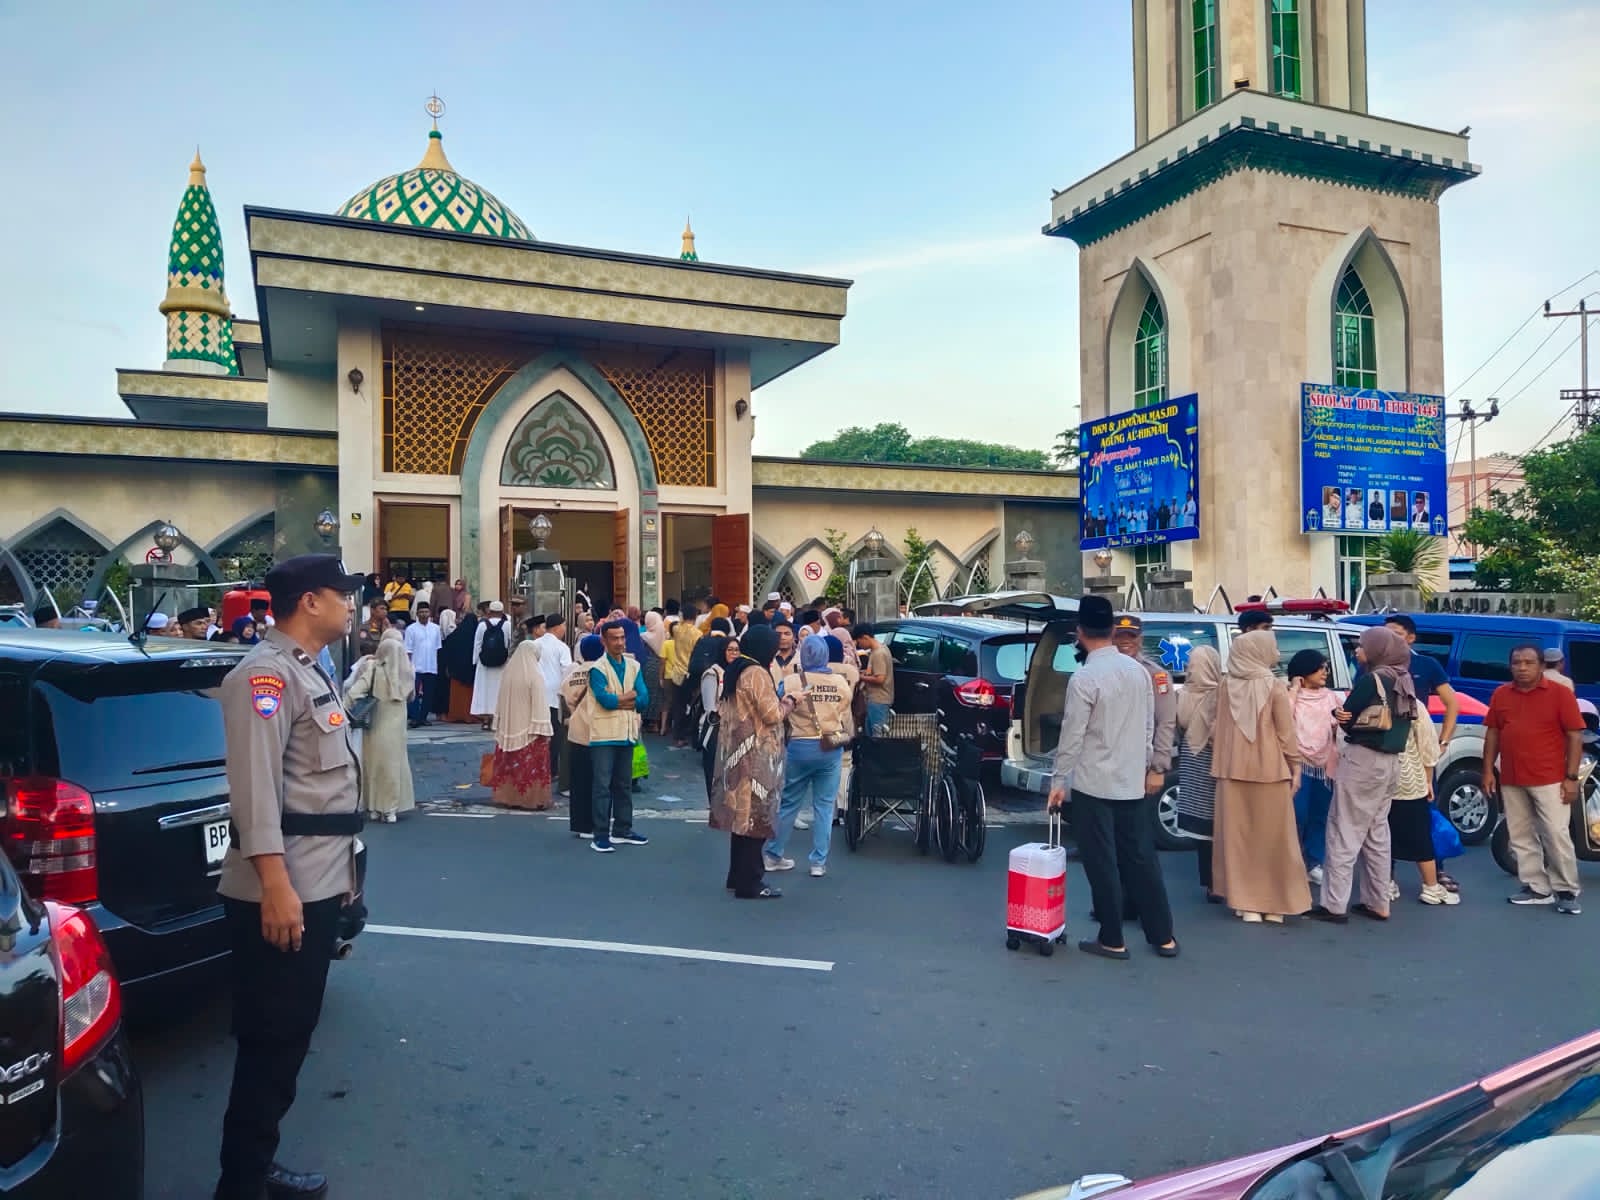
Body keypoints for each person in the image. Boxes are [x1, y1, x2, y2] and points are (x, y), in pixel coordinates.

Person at [213, 554, 363, 1200]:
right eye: (342, 594)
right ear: (310, 602)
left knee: (290, 1037)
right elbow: (256, 795)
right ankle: (241, 1183)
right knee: (271, 1041)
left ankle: (257, 1162)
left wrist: (346, 879)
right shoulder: (264, 677)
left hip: (318, 883)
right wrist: (276, 887)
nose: (351, 605)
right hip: (284, 892)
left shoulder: (310, 669)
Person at [1046, 595, 1178, 960]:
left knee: (1101, 862)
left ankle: (1112, 937)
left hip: (1094, 783)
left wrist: (1058, 781)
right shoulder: (1139, 673)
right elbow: (1149, 724)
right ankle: (1163, 936)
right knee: (1142, 859)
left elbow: (1072, 735)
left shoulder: (1085, 678)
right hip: (1131, 781)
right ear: (1111, 629)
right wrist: (1149, 765)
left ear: (1080, 632)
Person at [1312, 626, 1416, 924]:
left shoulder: (1372, 680)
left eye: (1362, 646)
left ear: (1378, 650)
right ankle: (1378, 902)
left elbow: (1347, 718)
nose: (1358, 650)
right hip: (1391, 763)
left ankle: (1334, 905)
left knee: (1343, 830)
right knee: (1377, 834)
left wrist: (1339, 716)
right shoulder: (1404, 678)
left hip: (1363, 760)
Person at [1211, 629, 1311, 924]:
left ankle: (1245, 903)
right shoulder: (1274, 686)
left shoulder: (1225, 685)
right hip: (1270, 770)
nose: (1277, 653)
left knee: (1238, 841)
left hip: (1231, 771)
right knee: (1276, 839)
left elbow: (1217, 729)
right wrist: (1296, 766)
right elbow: (1286, 733)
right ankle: (1275, 903)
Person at [1484, 643, 1585, 914]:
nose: (1522, 667)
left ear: (1541, 666)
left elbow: (1575, 736)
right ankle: (1537, 888)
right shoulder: (1501, 694)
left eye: (1529, 662)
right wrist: (1488, 771)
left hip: (1550, 777)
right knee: (1520, 835)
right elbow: (1493, 732)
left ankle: (1566, 890)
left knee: (1556, 833)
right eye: (1517, 662)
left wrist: (1571, 778)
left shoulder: (1560, 694)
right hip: (1511, 776)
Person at [709, 624, 791, 899]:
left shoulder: (738, 668)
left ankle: (737, 876)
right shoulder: (756, 672)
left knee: (741, 819)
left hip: (737, 751)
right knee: (756, 817)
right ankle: (751, 882)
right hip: (756, 754)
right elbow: (772, 714)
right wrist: (790, 702)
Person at [763, 633, 852, 878]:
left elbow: (780, 707)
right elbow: (844, 709)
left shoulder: (791, 681)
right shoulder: (840, 682)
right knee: (824, 806)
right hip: (829, 747)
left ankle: (773, 854)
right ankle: (818, 862)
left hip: (799, 746)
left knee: (789, 802)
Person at [587, 619, 650, 852]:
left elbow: (644, 699)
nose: (620, 642)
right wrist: (628, 698)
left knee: (624, 785)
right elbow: (605, 701)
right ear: (604, 641)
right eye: (614, 638)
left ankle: (622, 829)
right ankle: (600, 834)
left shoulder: (634, 666)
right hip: (604, 735)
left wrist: (621, 700)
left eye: (622, 637)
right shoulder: (598, 669)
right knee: (602, 786)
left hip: (626, 732)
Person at [344, 625, 416, 823]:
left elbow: (355, 691)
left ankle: (374, 807)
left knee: (373, 766)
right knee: (393, 766)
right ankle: (390, 809)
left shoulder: (372, 667)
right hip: (396, 728)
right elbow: (411, 697)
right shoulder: (407, 671)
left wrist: (343, 709)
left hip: (375, 723)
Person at [1287, 649, 1344, 886]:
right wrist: (1293, 690)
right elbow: (1283, 720)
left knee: (1319, 815)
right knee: (1296, 814)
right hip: (1297, 764)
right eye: (1319, 667)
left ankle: (1314, 863)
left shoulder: (1331, 697)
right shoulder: (1290, 696)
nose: (1325, 672)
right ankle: (1291, 862)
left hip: (1325, 765)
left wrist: (1339, 724)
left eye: (1325, 668)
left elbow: (1343, 724)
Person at [1387, 704, 1454, 904]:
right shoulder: (1411, 703)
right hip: (1409, 780)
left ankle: (1385, 884)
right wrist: (1428, 780)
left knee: (1380, 837)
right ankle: (1431, 887)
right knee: (1420, 835)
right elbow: (1427, 745)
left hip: (1375, 780)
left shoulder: (1366, 699)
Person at [1173, 646, 1222, 901]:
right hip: (1217, 762)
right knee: (1222, 823)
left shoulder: (1181, 695)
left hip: (1191, 762)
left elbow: (1174, 730)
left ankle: (1211, 883)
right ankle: (1222, 881)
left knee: (1204, 830)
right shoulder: (1223, 694)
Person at [489, 640, 554, 810]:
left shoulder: (507, 673)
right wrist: (543, 727)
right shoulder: (535, 675)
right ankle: (531, 799)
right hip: (530, 729)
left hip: (509, 727)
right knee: (529, 768)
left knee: (510, 766)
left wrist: (499, 721)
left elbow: (500, 700)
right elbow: (540, 704)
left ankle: (509, 798)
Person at [1384, 614, 1459, 746]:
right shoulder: (1371, 664)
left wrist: (1443, 742)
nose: (1390, 638)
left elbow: (1452, 703)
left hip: (1414, 738)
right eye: (1385, 634)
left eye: (1396, 634)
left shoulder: (1427, 664)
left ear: (1411, 638)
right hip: (1379, 738)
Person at [562, 635, 604, 838]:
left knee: (579, 781)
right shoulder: (603, 672)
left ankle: (581, 825)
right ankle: (598, 822)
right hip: (600, 731)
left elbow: (565, 696)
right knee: (599, 782)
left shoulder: (573, 674)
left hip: (577, 730)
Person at [699, 635, 741, 794]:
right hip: (716, 730)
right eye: (730, 650)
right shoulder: (712, 674)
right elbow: (710, 707)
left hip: (736, 731)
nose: (734, 653)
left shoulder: (739, 672)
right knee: (715, 778)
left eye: (737, 650)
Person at [471, 601, 511, 731]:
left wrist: (475, 662)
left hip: (485, 664)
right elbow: (510, 644)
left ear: (490, 611)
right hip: (502, 664)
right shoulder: (507, 625)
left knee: (484, 691)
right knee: (498, 691)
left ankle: (485, 720)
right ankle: (497, 720)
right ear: (502, 612)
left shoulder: (482, 625)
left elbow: (477, 644)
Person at [402, 601, 443, 728]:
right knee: (413, 693)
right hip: (415, 666)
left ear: (429, 613)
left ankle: (423, 717)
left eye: (426, 612)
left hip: (431, 666)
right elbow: (408, 649)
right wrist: (408, 666)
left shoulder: (436, 629)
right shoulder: (411, 629)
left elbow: (437, 648)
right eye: (421, 612)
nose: (424, 614)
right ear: (417, 614)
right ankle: (415, 718)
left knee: (428, 693)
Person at [668, 605, 702, 746]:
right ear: (695, 616)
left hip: (677, 672)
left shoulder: (676, 629)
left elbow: (673, 624)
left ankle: (678, 736)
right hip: (690, 672)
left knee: (678, 705)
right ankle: (688, 732)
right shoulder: (698, 633)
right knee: (691, 704)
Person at [439, 607, 478, 724]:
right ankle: (470, 715)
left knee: (457, 694)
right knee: (469, 694)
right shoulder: (475, 634)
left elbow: (448, 650)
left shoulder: (455, 635)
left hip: (456, 671)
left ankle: (456, 714)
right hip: (470, 670)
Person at [855, 623, 894, 734]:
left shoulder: (878, 654)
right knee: (871, 733)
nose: (859, 645)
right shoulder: (880, 648)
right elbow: (875, 671)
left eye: (859, 642)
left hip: (879, 700)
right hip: (875, 700)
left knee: (877, 735)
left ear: (865, 637)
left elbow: (880, 679)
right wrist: (864, 673)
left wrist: (861, 677)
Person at [641, 610, 667, 730]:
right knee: (658, 694)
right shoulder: (664, 633)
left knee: (648, 692)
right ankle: (656, 722)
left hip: (649, 665)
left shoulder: (644, 636)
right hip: (661, 664)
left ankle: (646, 720)